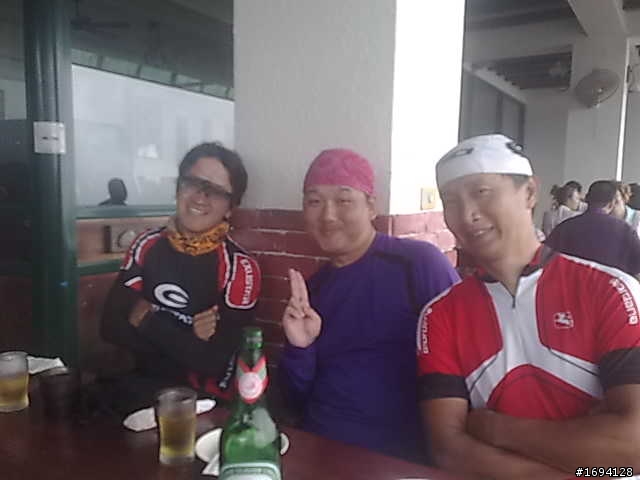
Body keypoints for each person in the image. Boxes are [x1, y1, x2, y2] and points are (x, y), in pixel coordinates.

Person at [417, 134, 640, 479]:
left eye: (482, 192)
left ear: (530, 193)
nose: (467, 214)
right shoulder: (440, 315)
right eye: (450, 200)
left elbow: (632, 451)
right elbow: (449, 451)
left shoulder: (611, 291)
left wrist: (496, 429)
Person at [279, 148, 459, 461]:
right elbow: (294, 396)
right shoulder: (312, 291)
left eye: (344, 200)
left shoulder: (418, 264)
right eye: (314, 201)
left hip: (395, 457)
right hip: (316, 447)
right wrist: (300, 348)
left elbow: (468, 362)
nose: (328, 216)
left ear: (371, 207)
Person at [101, 142, 260, 414]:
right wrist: (189, 339)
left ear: (230, 208)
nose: (200, 197)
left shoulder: (240, 267)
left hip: (206, 405)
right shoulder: (146, 245)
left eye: (216, 191)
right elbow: (110, 327)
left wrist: (147, 320)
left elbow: (214, 362)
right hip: (143, 391)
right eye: (193, 183)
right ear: (178, 188)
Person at [545, 180, 640, 277]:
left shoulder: (564, 227)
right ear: (611, 204)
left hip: (568, 285)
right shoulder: (625, 231)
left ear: (586, 200)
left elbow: (544, 260)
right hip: (611, 285)